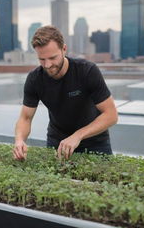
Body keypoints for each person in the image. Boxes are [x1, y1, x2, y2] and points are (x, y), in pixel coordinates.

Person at [13, 25, 118, 161]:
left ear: (64, 49)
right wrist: (19, 140)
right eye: (42, 59)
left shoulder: (87, 71)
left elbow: (111, 115)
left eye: (52, 58)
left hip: (95, 143)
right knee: (56, 181)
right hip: (58, 142)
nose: (47, 65)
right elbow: (25, 118)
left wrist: (78, 135)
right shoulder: (34, 79)